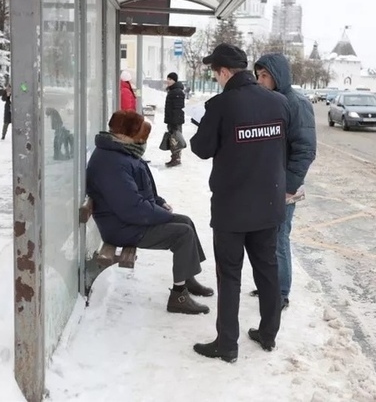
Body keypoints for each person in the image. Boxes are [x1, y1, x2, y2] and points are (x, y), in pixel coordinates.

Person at [190, 43, 293, 362]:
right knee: (267, 270)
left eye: (214, 72)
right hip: (268, 205)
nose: (215, 77)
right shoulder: (279, 102)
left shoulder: (220, 106)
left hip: (232, 210)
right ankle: (269, 334)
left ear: (223, 72)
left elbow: (201, 149)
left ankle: (227, 344)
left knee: (230, 276)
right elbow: (281, 145)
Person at [86, 110, 214, 315]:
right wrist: (162, 214)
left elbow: (140, 190)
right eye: (138, 134)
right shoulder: (112, 161)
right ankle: (178, 296)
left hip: (127, 219)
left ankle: (187, 278)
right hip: (121, 227)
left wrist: (159, 203)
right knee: (182, 233)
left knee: (186, 222)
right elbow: (131, 208)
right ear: (126, 133)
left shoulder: (121, 151)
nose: (141, 140)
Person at [253, 53, 317, 310]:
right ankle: (269, 285)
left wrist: (289, 187)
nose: (260, 80)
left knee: (279, 239)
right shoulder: (272, 100)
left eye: (265, 75)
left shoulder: (296, 103)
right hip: (268, 183)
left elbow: (305, 150)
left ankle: (280, 292)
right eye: (258, 75)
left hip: (284, 186)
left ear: (278, 76)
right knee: (266, 238)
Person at [163, 72, 186, 167]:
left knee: (175, 138)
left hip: (175, 120)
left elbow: (178, 107)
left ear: (174, 80)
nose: (168, 81)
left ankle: (176, 158)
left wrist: (174, 120)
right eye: (167, 79)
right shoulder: (173, 91)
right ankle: (175, 157)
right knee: (173, 138)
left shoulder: (177, 91)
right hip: (172, 119)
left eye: (170, 79)